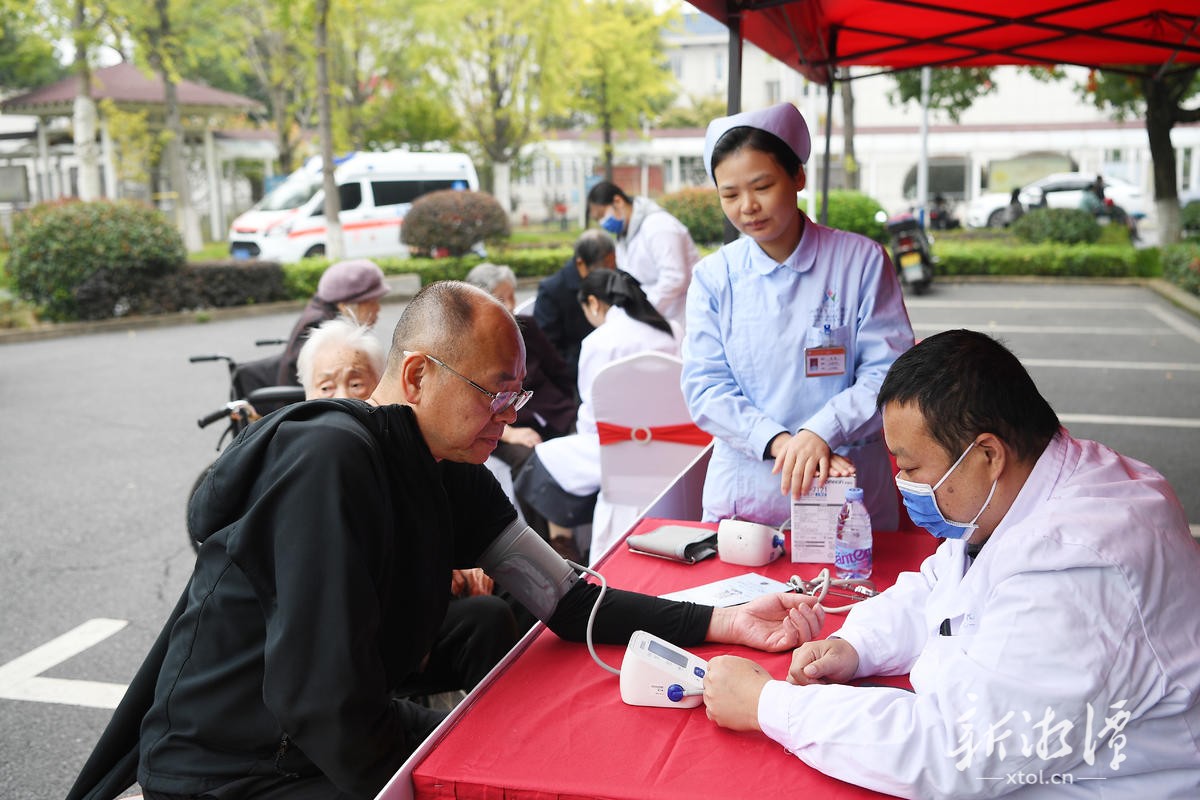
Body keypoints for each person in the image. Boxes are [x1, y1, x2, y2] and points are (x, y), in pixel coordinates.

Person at [67, 280, 825, 800]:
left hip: (309, 737)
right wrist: (459, 759)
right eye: (495, 392)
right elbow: (322, 702)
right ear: (421, 373)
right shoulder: (331, 460)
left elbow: (561, 598)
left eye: (516, 394)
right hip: (232, 766)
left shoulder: (446, 466)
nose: (509, 414)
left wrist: (721, 621)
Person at [701, 329, 1200, 798]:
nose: (903, 483)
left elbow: (956, 751)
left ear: (987, 453)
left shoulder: (1078, 565)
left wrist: (769, 706)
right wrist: (854, 645)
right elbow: (940, 586)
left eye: (913, 467)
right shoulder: (1028, 490)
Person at [682, 102, 914, 531]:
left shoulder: (860, 261)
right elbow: (705, 386)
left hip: (847, 486)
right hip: (749, 496)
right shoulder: (715, 277)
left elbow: (889, 371)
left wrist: (821, 432)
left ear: (798, 177)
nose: (747, 206)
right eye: (729, 195)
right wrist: (781, 443)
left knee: (854, 594)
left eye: (762, 186)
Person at [297, 315, 520, 694]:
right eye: (325, 386)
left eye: (354, 382)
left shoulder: (431, 447)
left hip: (421, 609)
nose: (342, 396)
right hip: (367, 639)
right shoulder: (320, 469)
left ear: (385, 383)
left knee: (518, 588)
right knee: (487, 618)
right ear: (306, 397)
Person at [515, 269, 679, 563]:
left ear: (593, 303)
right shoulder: (673, 329)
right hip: (680, 446)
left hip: (619, 447)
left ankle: (562, 544)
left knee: (542, 460)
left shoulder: (599, 342)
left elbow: (593, 416)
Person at [586, 180, 701, 330]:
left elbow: (674, 278)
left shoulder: (659, 225)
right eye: (598, 220)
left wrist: (643, 310)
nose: (603, 223)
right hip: (657, 318)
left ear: (618, 201)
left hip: (681, 315)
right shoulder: (624, 236)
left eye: (602, 215)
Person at [275, 258, 390, 386]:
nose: (378, 309)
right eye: (372, 302)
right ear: (346, 305)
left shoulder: (320, 311)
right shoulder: (323, 328)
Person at [532, 229, 617, 385]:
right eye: (604, 269)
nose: (612, 274)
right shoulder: (553, 290)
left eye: (614, 266)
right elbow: (548, 349)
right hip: (574, 376)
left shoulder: (618, 279)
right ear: (581, 264)